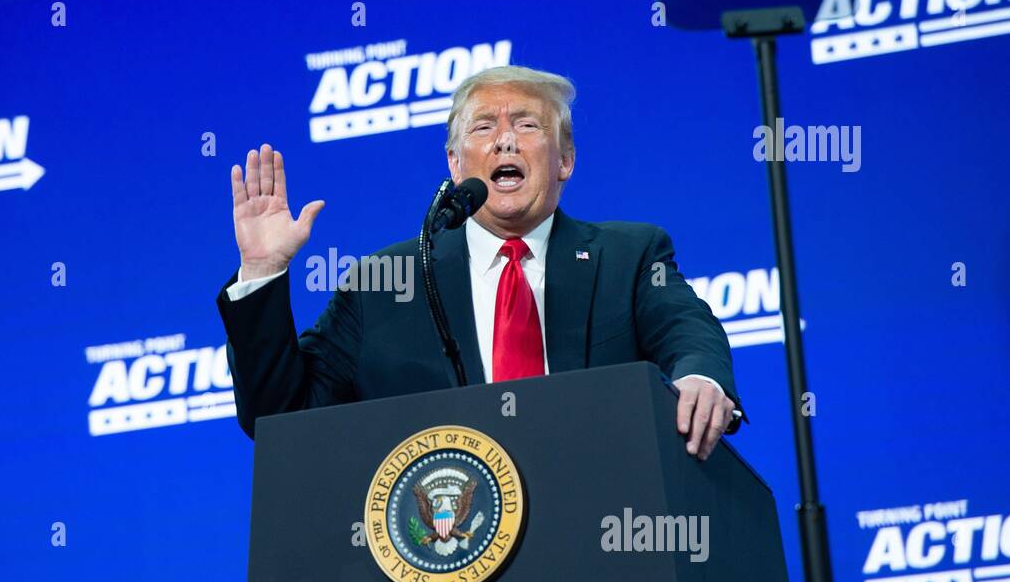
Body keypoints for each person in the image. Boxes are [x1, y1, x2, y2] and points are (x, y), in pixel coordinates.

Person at [217, 65, 745, 459]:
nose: (506, 139)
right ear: (454, 162)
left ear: (565, 160)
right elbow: (280, 420)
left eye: (528, 125)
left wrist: (702, 379)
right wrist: (262, 273)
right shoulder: (384, 284)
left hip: (602, 532)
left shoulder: (629, 256)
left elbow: (686, 329)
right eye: (484, 128)